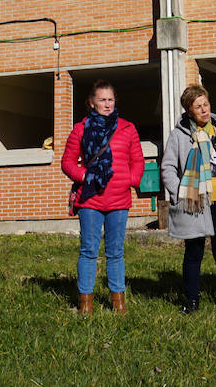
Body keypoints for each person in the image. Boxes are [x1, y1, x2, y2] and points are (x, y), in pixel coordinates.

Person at [160, 84, 216, 313]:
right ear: (189, 111)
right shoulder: (179, 135)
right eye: (197, 106)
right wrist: (179, 191)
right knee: (194, 252)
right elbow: (168, 167)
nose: (203, 110)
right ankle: (191, 301)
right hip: (195, 201)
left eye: (205, 104)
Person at [62, 80, 144, 315]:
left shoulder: (127, 128)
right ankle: (85, 302)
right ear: (91, 102)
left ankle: (118, 301)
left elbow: (137, 161)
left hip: (119, 198)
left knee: (115, 252)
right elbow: (67, 162)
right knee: (89, 250)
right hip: (90, 198)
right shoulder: (80, 129)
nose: (107, 104)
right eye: (102, 100)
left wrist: (131, 179)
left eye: (110, 100)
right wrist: (84, 175)